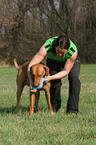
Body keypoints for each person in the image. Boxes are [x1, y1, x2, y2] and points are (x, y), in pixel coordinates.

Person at [27, 35, 81, 114]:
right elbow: (30, 66)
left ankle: (72, 110)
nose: (59, 54)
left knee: (74, 78)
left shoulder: (73, 51)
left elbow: (66, 71)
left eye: (62, 53)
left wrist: (50, 77)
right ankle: (54, 107)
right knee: (55, 82)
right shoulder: (47, 46)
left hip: (69, 61)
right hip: (53, 61)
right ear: (55, 46)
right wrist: (31, 82)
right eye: (58, 51)